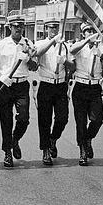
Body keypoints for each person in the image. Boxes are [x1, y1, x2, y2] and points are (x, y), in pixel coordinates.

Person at [0, 14, 34, 168]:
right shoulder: (1, 45)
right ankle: (7, 151)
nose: (18, 29)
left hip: (21, 85)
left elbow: (35, 67)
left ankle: (15, 140)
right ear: (10, 27)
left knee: (24, 118)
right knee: (6, 121)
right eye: (15, 26)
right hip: (5, 85)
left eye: (21, 26)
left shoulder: (28, 43)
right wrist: (1, 76)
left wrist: (28, 57)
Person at [33, 19, 72, 165]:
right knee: (44, 120)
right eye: (51, 28)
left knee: (62, 118)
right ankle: (46, 151)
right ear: (46, 29)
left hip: (60, 85)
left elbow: (72, 65)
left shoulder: (65, 46)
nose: (54, 30)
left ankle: (53, 138)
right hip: (46, 85)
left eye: (56, 28)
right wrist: (52, 42)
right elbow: (37, 53)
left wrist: (64, 61)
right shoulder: (40, 43)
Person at [69, 23, 103, 166]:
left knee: (97, 119)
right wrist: (86, 42)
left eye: (92, 30)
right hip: (80, 87)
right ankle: (82, 150)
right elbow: (71, 51)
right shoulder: (79, 46)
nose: (90, 33)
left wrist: (100, 54)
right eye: (87, 31)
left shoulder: (101, 47)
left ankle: (88, 138)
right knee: (81, 122)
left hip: (95, 87)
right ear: (83, 34)